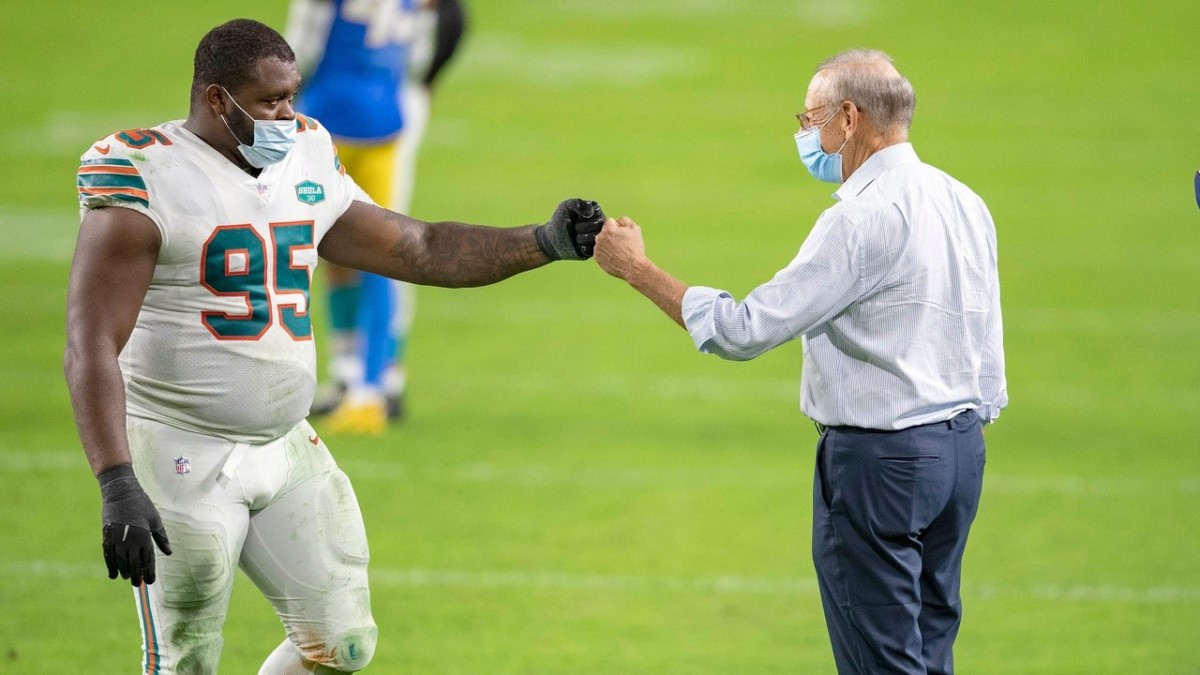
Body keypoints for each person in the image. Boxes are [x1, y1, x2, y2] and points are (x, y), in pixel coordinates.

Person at [65, 18, 602, 674]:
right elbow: (91, 340)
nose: (289, 114)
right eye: (269, 102)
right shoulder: (144, 174)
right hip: (180, 448)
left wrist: (541, 241)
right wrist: (116, 480)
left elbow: (419, 246)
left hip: (284, 443)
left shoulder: (306, 153)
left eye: (292, 96)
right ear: (215, 99)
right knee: (187, 661)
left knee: (343, 644)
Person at [594, 48, 1006, 674]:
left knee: (883, 664)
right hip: (959, 450)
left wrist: (637, 270)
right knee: (929, 650)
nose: (804, 134)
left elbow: (744, 329)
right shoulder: (962, 199)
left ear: (848, 116)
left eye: (809, 117)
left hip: (882, 464)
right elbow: (983, 330)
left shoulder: (861, 219)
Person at [284, 0, 425, 434]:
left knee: (319, 242)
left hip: (325, 122)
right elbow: (418, 56)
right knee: (372, 251)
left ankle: (365, 387)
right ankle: (361, 380)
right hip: (385, 121)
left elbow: (295, 52)